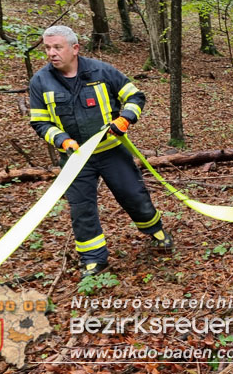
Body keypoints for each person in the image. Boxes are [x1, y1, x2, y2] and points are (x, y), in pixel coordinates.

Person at [29, 25, 174, 278]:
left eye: (57, 47)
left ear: (75, 48)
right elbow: (40, 122)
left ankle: (156, 231)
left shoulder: (101, 71)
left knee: (134, 195)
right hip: (75, 160)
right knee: (81, 209)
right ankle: (94, 259)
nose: (51, 53)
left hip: (112, 153)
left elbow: (135, 96)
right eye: (47, 48)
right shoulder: (40, 81)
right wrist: (62, 141)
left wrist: (125, 119)